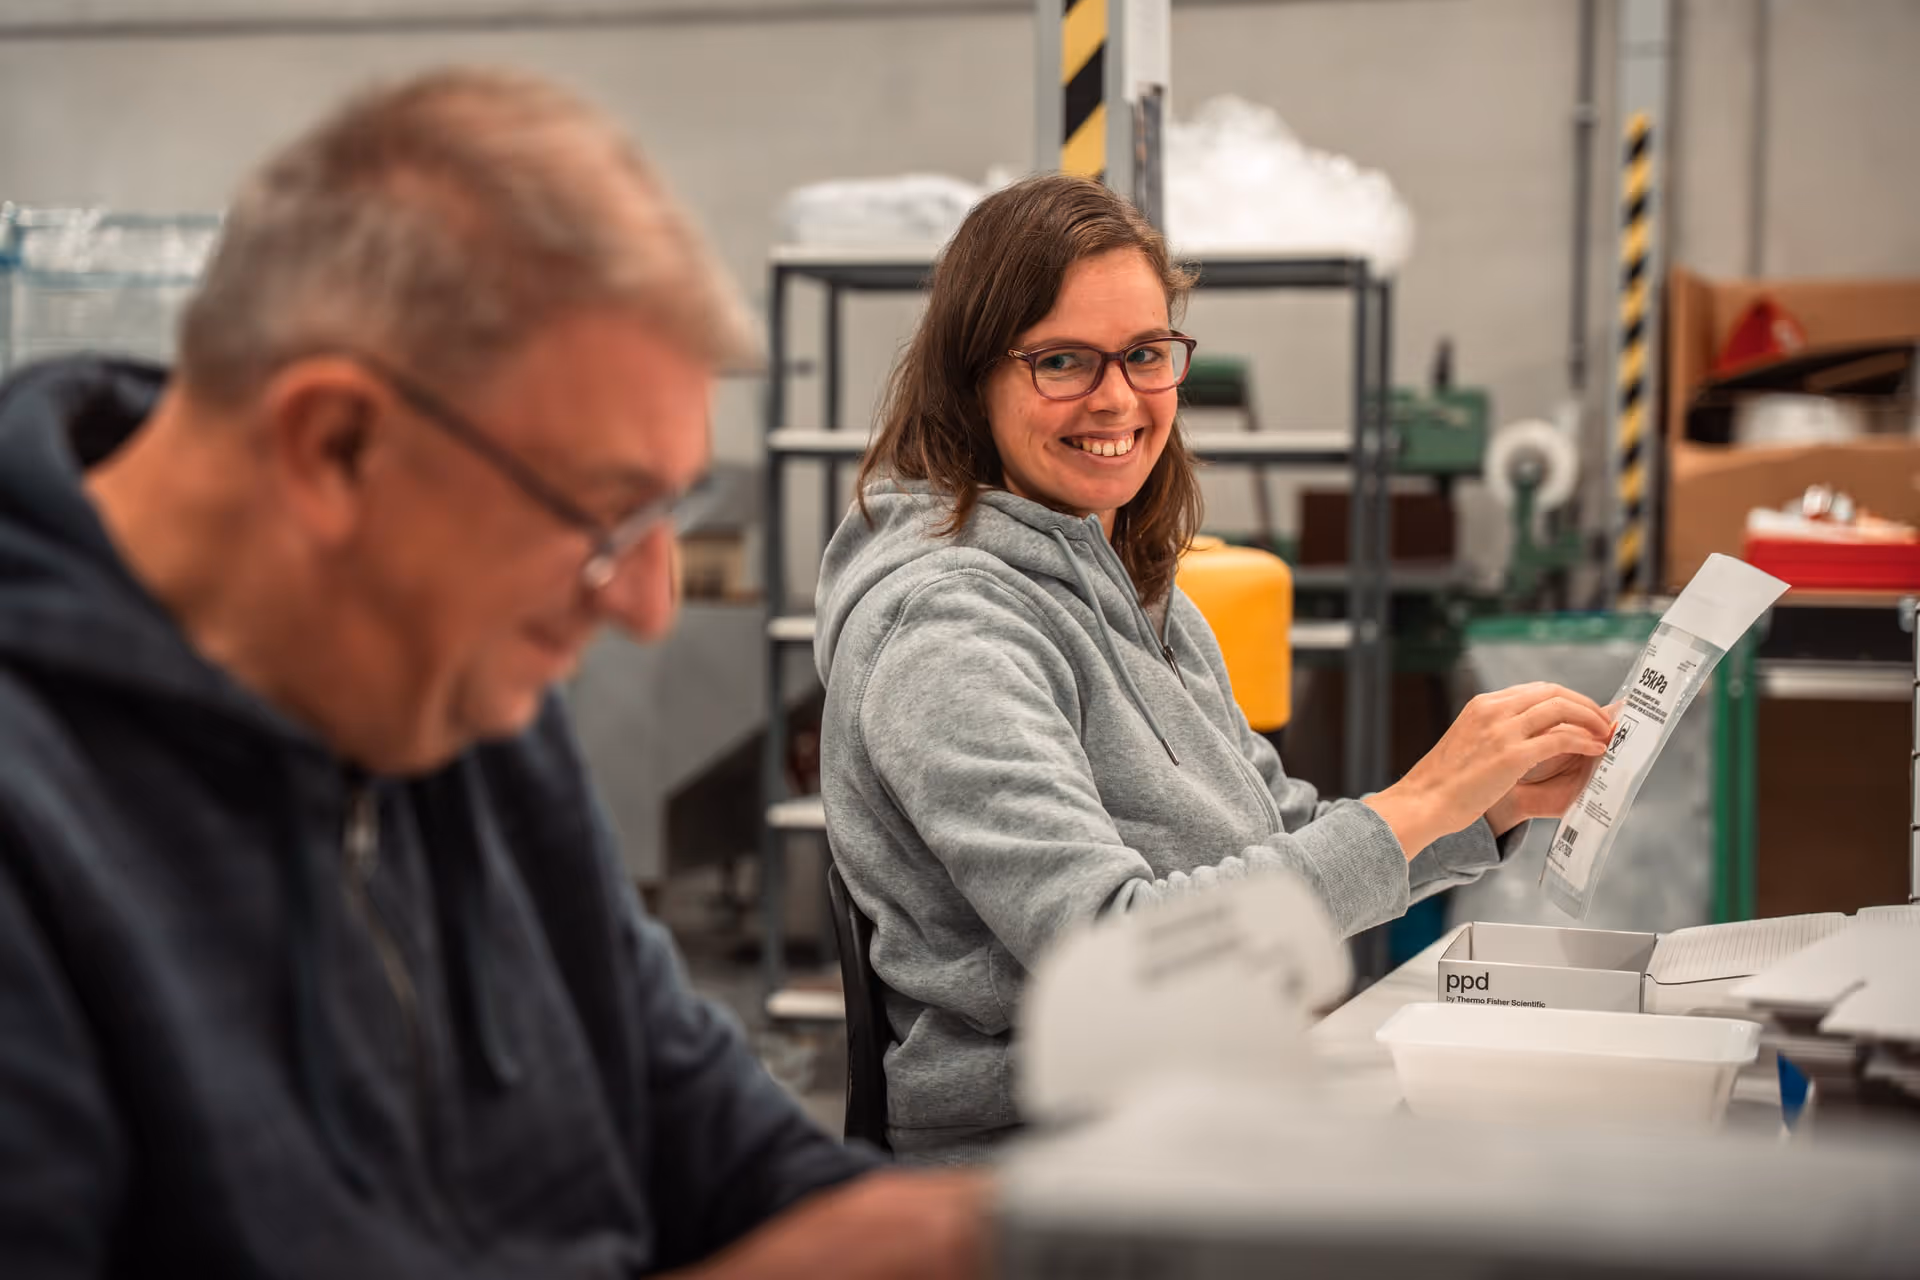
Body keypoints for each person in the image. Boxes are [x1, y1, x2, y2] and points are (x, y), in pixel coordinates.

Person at [0, 68, 983, 1277]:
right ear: (336, 444)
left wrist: (1017, 1234)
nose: (648, 601)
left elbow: (734, 1161)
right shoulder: (39, 831)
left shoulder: (464, 711)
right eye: (609, 515)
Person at [814, 173, 1612, 1164]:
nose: (1118, 398)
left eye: (1146, 354)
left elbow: (1279, 837)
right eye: (1062, 360)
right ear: (972, 378)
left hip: (1204, 1096)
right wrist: (1421, 796)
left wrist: (1483, 809)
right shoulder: (947, 632)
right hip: (1046, 1157)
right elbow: (1117, 955)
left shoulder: (1150, 595)